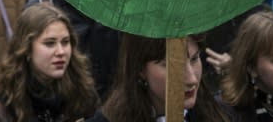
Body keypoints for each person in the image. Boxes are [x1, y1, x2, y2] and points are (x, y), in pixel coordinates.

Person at [0, 4, 99, 122]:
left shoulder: (82, 93)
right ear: (26, 50)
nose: (61, 52)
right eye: (50, 43)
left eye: (65, 42)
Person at [89, 33, 231, 122]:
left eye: (194, 59)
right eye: (172, 66)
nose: (192, 79)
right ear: (140, 69)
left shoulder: (221, 115)